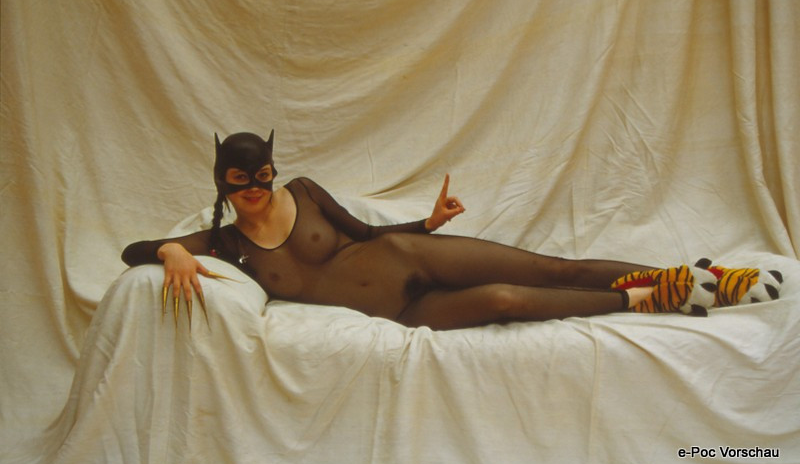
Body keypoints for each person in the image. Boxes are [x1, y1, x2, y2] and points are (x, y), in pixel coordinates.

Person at [122, 131, 783, 330]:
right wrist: (173, 249)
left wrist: (428, 224)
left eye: (263, 175)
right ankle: (646, 297)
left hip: (408, 255)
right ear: (223, 183)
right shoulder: (225, 244)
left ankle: (700, 278)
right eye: (242, 181)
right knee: (506, 301)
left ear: (273, 171)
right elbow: (132, 251)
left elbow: (365, 231)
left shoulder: (304, 192)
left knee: (549, 269)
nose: (256, 189)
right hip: (400, 312)